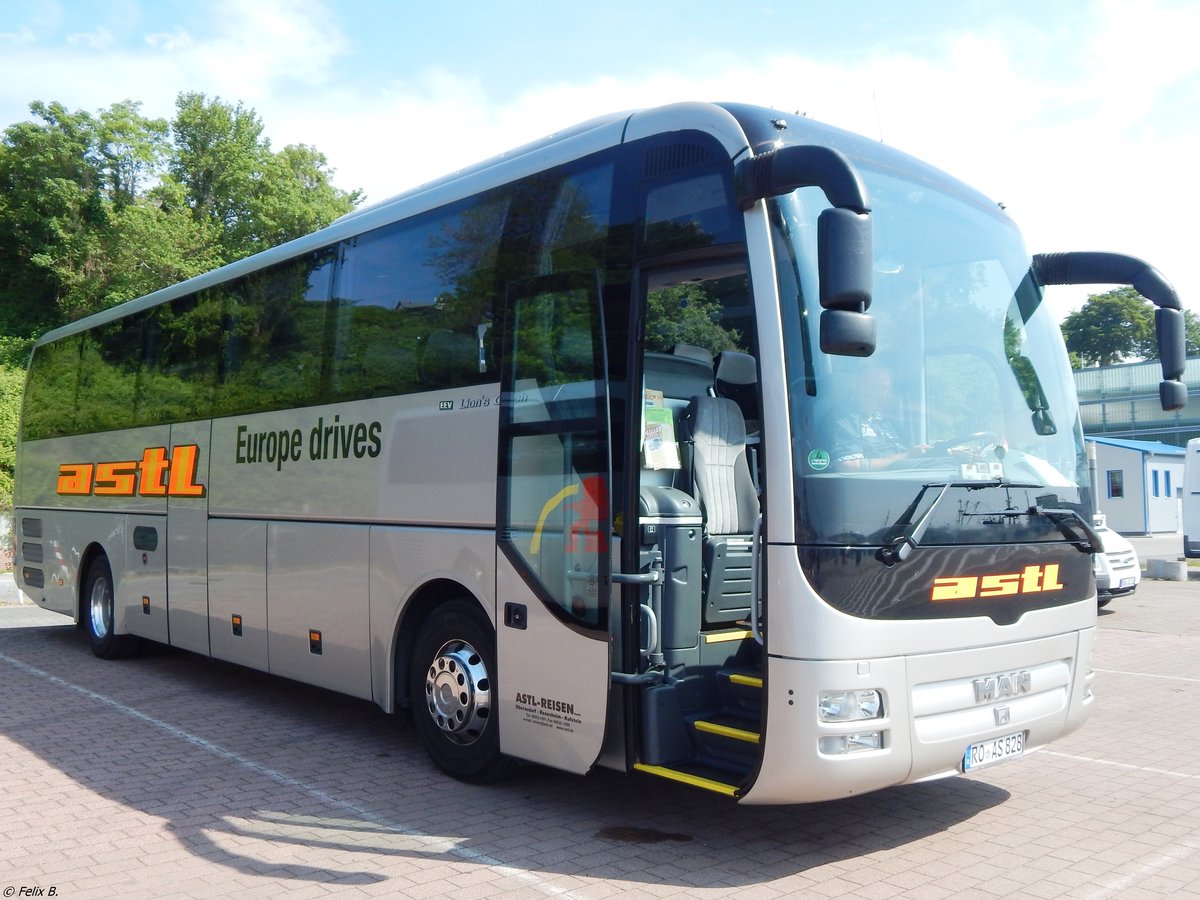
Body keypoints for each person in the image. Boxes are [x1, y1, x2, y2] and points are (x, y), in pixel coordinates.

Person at [831, 365, 928, 472]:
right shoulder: (842, 419)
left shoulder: (886, 420)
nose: (876, 391)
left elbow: (910, 450)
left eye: (883, 387)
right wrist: (907, 456)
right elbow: (848, 466)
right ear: (856, 385)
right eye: (870, 385)